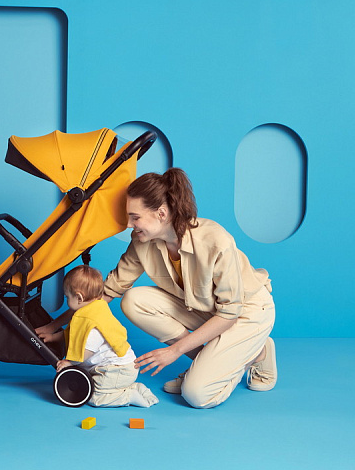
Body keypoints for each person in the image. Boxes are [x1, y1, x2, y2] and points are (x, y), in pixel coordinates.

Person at [40, 168, 277, 409]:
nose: (129, 224)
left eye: (135, 217)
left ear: (161, 213)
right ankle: (211, 365)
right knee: (133, 300)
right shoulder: (142, 242)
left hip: (246, 312)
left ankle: (257, 353)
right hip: (204, 308)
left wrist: (174, 351)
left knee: (196, 395)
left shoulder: (216, 241)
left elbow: (229, 313)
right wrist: (53, 326)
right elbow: (105, 293)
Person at [55, 265, 158, 408]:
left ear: (79, 297)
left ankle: (129, 396)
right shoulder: (96, 309)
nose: (67, 300)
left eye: (67, 297)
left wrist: (69, 362)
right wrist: (53, 337)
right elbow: (72, 333)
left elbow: (85, 353)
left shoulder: (92, 323)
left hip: (117, 369)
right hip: (117, 369)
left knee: (92, 396)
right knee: (90, 384)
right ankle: (135, 388)